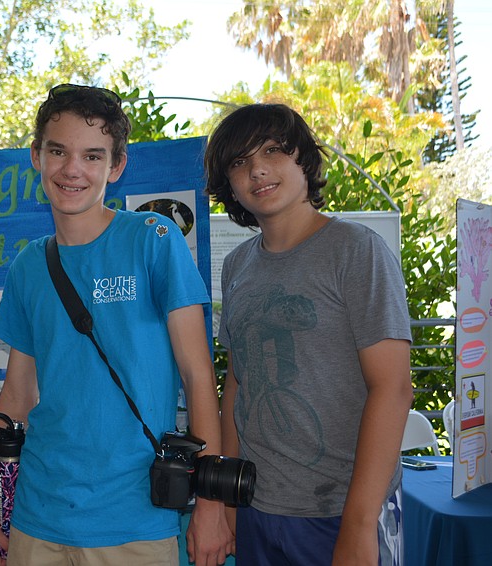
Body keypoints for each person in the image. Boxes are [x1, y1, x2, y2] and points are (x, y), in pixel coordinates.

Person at [0, 84, 233, 566]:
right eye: (58, 151)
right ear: (36, 157)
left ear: (116, 166)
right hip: (37, 515)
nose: (73, 170)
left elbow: (199, 377)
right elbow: (17, 394)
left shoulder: (154, 239)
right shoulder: (29, 265)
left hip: (134, 517)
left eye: (92, 156)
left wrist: (210, 505)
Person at [204, 103, 413, 565]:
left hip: (342, 510)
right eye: (239, 161)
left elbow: (393, 388)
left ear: (304, 161)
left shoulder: (355, 250)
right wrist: (228, 500)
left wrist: (359, 524)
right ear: (230, 185)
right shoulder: (237, 266)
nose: (257, 168)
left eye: (274, 150)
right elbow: (239, 384)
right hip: (258, 506)